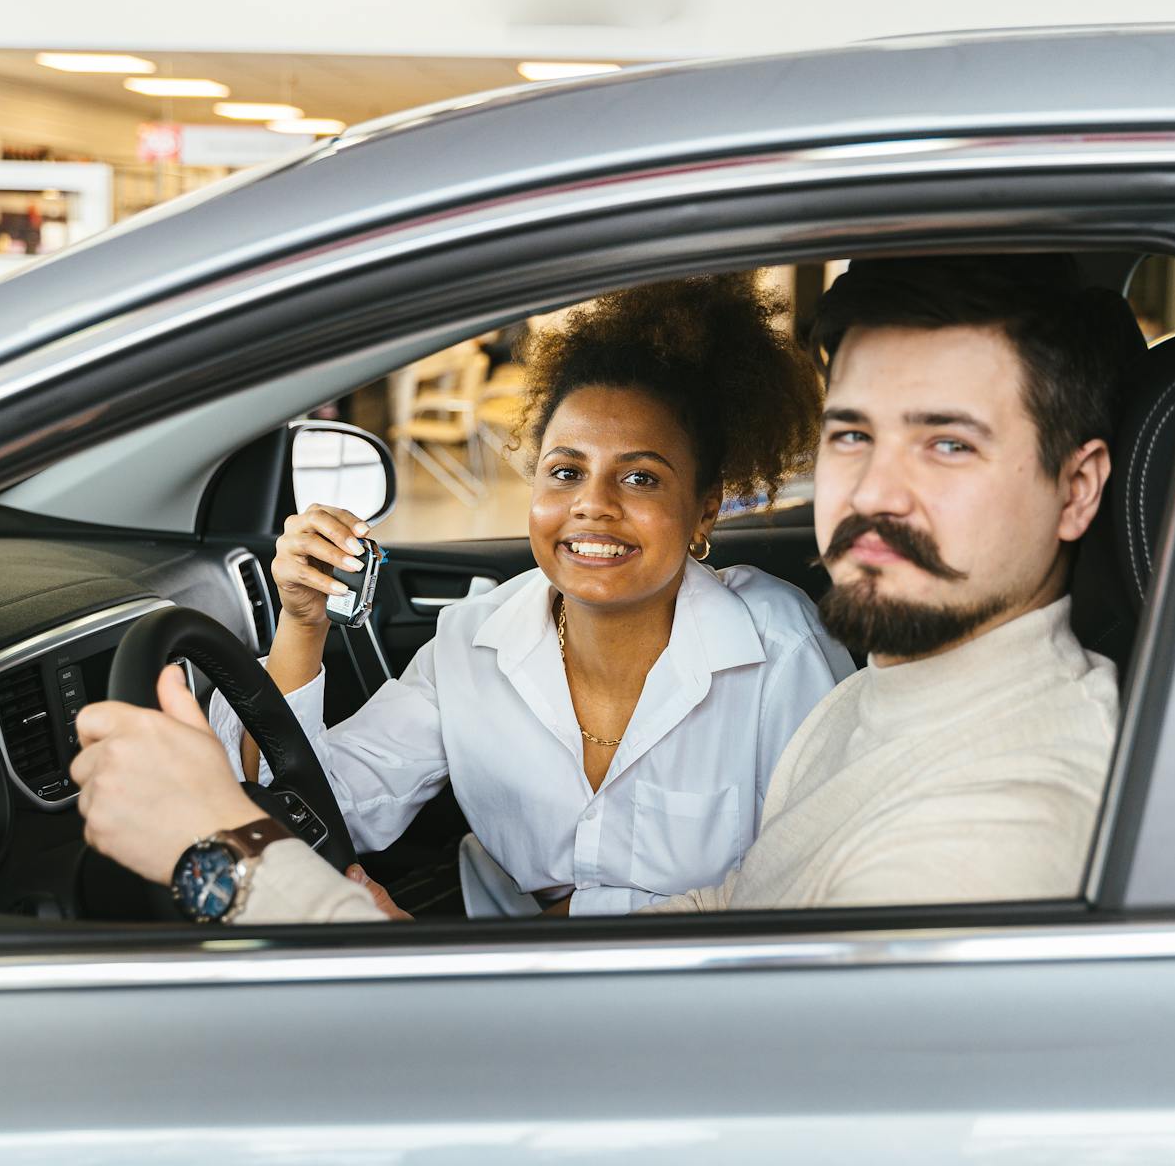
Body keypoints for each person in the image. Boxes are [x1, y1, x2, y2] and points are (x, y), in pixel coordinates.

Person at [72, 254, 1143, 921]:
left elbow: (656, 1082)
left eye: (949, 445)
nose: (874, 492)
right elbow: (752, 901)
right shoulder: (883, 699)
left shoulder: (997, 818)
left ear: (1079, 486)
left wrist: (228, 857)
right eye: (853, 435)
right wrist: (298, 630)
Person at [193, 274, 850, 917]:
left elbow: (826, 880)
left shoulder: (779, 652)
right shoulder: (470, 642)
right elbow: (321, 809)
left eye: (642, 478)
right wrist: (303, 625)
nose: (592, 505)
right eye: (565, 472)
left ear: (705, 511)